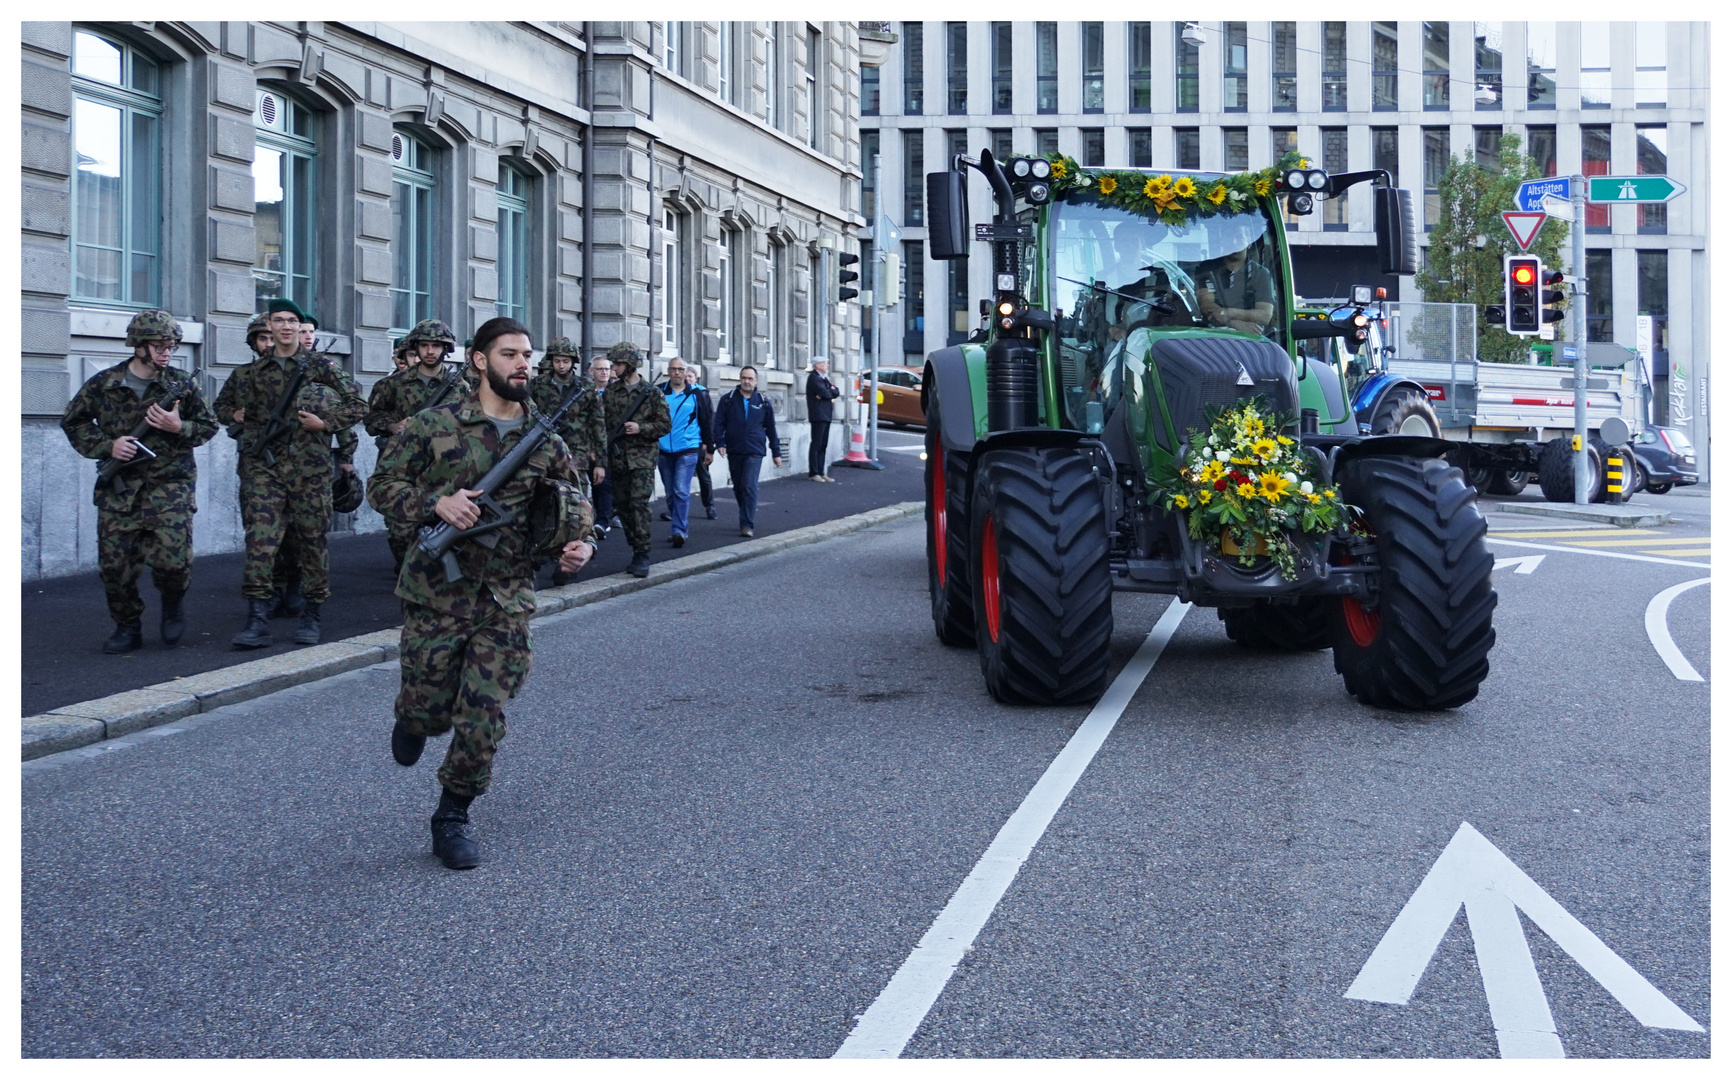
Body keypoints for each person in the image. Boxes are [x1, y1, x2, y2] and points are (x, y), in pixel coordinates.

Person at [368, 316, 596, 870]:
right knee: (429, 707)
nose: (523, 364)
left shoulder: (545, 438)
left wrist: (580, 544)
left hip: (505, 597)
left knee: (483, 714)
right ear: (478, 360)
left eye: (527, 355)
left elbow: (578, 502)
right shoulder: (432, 425)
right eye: (510, 354)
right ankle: (414, 716)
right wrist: (435, 504)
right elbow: (382, 486)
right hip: (436, 593)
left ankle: (452, 815)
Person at [213, 297, 367, 649]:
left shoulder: (320, 367)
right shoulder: (249, 374)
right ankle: (257, 617)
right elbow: (220, 407)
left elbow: (359, 405)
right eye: (278, 321)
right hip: (262, 469)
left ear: (300, 327)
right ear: (269, 326)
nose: (285, 326)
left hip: (309, 471)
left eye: (291, 321)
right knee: (260, 543)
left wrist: (325, 423)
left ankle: (311, 615)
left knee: (312, 542)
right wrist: (236, 415)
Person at [60, 310, 218, 653]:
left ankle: (173, 601)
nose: (167, 352)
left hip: (169, 487)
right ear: (138, 347)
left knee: (173, 563)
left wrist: (180, 427)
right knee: (115, 567)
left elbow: (208, 426)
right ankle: (127, 626)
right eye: (160, 346)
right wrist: (108, 445)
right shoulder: (105, 384)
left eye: (172, 345)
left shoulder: (182, 385)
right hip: (121, 490)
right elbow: (74, 422)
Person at [364, 319, 469, 573]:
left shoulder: (460, 388)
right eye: (424, 345)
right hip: (403, 467)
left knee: (442, 528)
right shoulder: (393, 385)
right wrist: (393, 426)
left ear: (445, 348)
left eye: (436, 345)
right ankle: (407, 572)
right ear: (416, 347)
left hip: (443, 468)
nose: (430, 351)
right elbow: (371, 418)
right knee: (400, 530)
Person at [530, 337, 605, 584]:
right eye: (557, 360)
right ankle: (537, 553)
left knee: (577, 509)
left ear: (573, 362)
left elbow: (598, 424)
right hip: (543, 454)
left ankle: (569, 561)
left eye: (565, 361)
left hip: (578, 457)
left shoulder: (584, 386)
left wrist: (600, 461)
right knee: (538, 504)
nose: (561, 365)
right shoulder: (538, 385)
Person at [602, 343, 672, 577]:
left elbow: (664, 425)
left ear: (630, 365)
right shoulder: (611, 393)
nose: (615, 369)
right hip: (619, 458)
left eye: (619, 364)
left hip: (642, 459)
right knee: (622, 507)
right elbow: (603, 425)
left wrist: (640, 428)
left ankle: (642, 553)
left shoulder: (651, 393)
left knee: (639, 504)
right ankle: (634, 546)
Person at [711, 365, 783, 538]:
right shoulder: (728, 399)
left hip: (755, 450)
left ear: (756, 381)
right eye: (744, 378)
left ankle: (747, 524)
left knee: (749, 485)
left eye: (750, 379)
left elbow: (771, 428)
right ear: (739, 379)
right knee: (739, 486)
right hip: (735, 449)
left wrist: (776, 452)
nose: (746, 381)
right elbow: (718, 423)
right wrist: (719, 443)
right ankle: (746, 512)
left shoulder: (763, 401)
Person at [655, 357, 712, 548]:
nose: (677, 372)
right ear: (668, 371)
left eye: (681, 369)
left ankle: (680, 530)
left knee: (680, 490)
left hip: (688, 449)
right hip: (663, 450)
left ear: (685, 371)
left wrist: (709, 448)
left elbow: (706, 421)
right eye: (674, 369)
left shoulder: (696, 394)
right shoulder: (660, 392)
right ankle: (677, 524)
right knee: (671, 493)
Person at [1197, 247, 1276, 336]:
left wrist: (1229, 313)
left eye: (1239, 238)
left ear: (1249, 243)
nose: (1234, 243)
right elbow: (1207, 305)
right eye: (1230, 238)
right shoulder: (1207, 268)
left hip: (1251, 340)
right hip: (1210, 338)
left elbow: (1265, 316)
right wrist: (1234, 323)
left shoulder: (1261, 273)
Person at [587, 355, 617, 540]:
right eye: (600, 369)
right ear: (592, 372)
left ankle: (603, 521)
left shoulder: (615, 393)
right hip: (587, 447)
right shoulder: (585, 392)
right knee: (595, 484)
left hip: (610, 446)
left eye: (607, 369)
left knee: (605, 484)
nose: (604, 372)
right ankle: (598, 518)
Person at [686, 363, 718, 519]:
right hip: (682, 442)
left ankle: (710, 506)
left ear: (696, 378)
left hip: (699, 442)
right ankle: (675, 509)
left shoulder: (702, 394)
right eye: (685, 377)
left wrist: (708, 443)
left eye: (690, 377)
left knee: (703, 475)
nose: (687, 379)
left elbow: (709, 420)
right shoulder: (677, 393)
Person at [805, 358, 840, 482]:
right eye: (825, 364)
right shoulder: (814, 378)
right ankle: (814, 473)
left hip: (826, 414)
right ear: (818, 365)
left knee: (823, 445)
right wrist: (827, 393)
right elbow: (826, 393)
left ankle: (821, 471)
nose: (828, 365)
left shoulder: (824, 378)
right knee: (817, 443)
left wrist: (828, 392)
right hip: (818, 414)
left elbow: (835, 392)